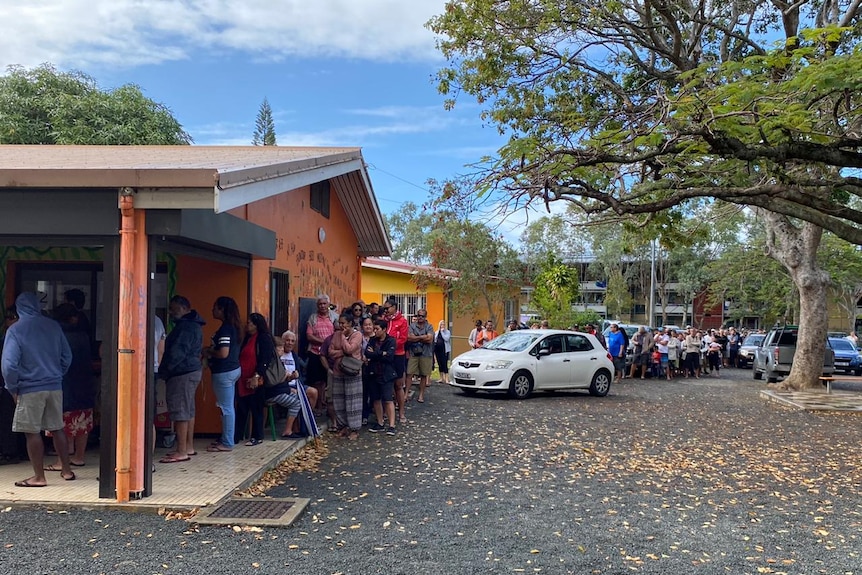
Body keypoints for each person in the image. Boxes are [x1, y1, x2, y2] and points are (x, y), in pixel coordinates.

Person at [1, 292, 73, 487]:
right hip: (54, 385)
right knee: (57, 428)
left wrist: (12, 387)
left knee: (31, 432)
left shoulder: (16, 330)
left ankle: (39, 477)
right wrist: (57, 374)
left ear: (18, 309)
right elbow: (67, 356)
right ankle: (66, 470)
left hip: (29, 387)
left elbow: (9, 365)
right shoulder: (53, 326)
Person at [45, 303, 95, 469]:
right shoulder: (83, 336)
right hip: (84, 383)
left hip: (61, 384)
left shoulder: (54, 335)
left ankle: (61, 461)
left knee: (60, 423)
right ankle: (79, 457)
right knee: (82, 421)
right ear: (73, 317)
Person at [158, 295, 205, 463]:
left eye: (174, 309)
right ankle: (188, 446)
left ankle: (181, 451)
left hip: (181, 373)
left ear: (185, 308)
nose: (171, 313)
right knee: (188, 409)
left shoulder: (185, 327)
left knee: (180, 411)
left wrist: (164, 371)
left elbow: (177, 353)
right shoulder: (195, 325)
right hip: (191, 370)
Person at [205, 296, 242, 453]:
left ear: (222, 310)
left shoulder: (225, 329)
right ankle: (226, 438)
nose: (212, 310)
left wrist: (208, 351)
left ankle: (227, 442)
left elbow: (223, 353)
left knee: (226, 408)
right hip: (233, 369)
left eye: (215, 307)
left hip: (224, 371)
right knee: (228, 407)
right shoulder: (234, 327)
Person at [236, 313, 274, 446]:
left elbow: (265, 359)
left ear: (256, 325)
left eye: (249, 323)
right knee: (241, 407)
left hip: (256, 378)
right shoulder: (247, 338)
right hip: (243, 378)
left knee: (256, 407)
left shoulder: (263, 338)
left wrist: (257, 375)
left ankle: (257, 436)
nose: (247, 325)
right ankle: (237, 435)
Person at [328, 313, 364, 440]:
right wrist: (342, 352)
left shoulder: (357, 335)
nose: (341, 325)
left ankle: (354, 429)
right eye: (340, 323)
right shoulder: (336, 334)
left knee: (353, 401)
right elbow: (330, 351)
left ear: (350, 323)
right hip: (338, 371)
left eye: (343, 323)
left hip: (352, 371)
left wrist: (343, 338)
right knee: (339, 400)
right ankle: (342, 426)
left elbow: (350, 349)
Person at [266, 336, 304, 439]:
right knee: (296, 403)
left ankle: (297, 428)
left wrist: (291, 377)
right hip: (272, 393)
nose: (282, 350)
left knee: (299, 397)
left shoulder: (278, 361)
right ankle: (287, 430)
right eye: (280, 348)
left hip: (280, 390)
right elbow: (275, 382)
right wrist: (286, 378)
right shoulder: (272, 362)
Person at [306, 294, 338, 413]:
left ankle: (327, 404)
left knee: (328, 379)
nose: (322, 306)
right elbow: (309, 336)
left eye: (324, 303)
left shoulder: (334, 317)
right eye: (320, 304)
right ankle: (318, 405)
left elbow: (338, 333)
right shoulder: (313, 318)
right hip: (315, 352)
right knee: (317, 380)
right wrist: (324, 342)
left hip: (330, 353)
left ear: (329, 304)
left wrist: (329, 345)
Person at [364, 318, 398, 435]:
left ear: (384, 329)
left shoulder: (391, 341)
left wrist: (376, 353)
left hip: (386, 374)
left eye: (377, 329)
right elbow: (367, 353)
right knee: (376, 399)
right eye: (374, 329)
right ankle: (380, 422)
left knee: (388, 399)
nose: (375, 331)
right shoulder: (373, 340)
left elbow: (389, 356)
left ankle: (392, 425)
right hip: (373, 373)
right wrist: (381, 353)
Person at [383, 299, 409, 424]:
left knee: (398, 385)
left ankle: (401, 412)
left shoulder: (402, 321)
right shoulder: (384, 320)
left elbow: (403, 339)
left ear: (394, 307)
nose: (386, 310)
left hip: (398, 355)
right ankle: (386, 412)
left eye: (387, 308)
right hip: (385, 356)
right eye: (385, 308)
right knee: (385, 383)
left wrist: (389, 346)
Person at [407, 309, 435, 403]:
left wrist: (416, 338)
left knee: (423, 375)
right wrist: (423, 337)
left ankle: (421, 395)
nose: (420, 317)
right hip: (413, 353)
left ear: (425, 317)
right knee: (409, 373)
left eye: (422, 316)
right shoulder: (412, 325)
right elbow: (409, 338)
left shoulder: (429, 326)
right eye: (419, 315)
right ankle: (406, 394)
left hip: (426, 353)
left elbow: (430, 339)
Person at [434, 320, 451, 385]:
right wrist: (439, 331)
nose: (442, 326)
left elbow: (446, 339)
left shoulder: (447, 332)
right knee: (439, 363)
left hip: (444, 350)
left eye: (443, 324)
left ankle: (446, 378)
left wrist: (442, 332)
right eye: (441, 324)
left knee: (444, 363)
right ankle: (441, 378)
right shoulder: (437, 332)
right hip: (437, 350)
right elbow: (435, 339)